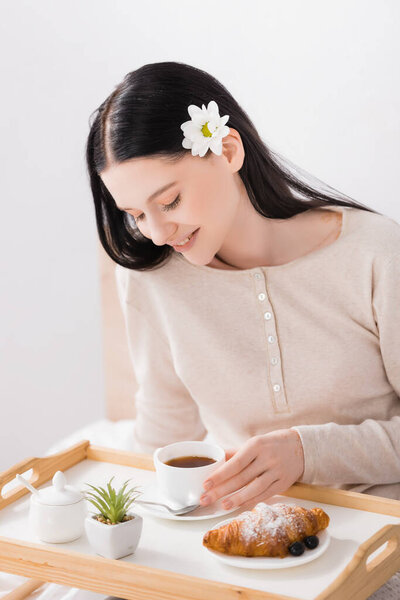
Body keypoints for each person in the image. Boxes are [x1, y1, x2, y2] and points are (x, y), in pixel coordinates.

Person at [86, 61, 400, 509]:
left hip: (380, 536)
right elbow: (163, 438)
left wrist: (308, 453)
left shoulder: (376, 252)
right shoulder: (152, 277)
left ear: (228, 151)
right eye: (135, 214)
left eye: (169, 200)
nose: (156, 232)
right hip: (240, 539)